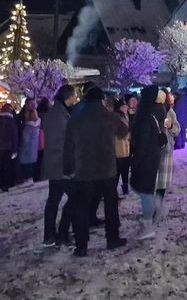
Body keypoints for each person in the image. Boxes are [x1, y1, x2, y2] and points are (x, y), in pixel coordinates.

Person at [62, 86, 128, 256]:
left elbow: (68, 145)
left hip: (84, 170)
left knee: (81, 207)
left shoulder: (76, 119)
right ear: (101, 100)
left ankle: (81, 245)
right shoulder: (109, 116)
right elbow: (124, 132)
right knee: (110, 205)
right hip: (107, 169)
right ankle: (112, 238)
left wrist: (68, 167)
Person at [41, 85, 77, 247]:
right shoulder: (59, 116)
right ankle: (61, 233)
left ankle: (49, 235)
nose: (75, 100)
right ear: (67, 97)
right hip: (60, 165)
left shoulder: (55, 113)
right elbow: (63, 144)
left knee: (54, 200)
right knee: (75, 197)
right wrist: (69, 167)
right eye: (74, 97)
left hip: (55, 164)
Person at [129, 84, 166, 240]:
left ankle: (148, 223)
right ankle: (153, 206)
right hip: (153, 155)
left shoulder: (145, 115)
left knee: (144, 190)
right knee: (144, 189)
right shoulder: (157, 111)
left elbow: (142, 140)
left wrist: (135, 160)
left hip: (145, 156)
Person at [154, 96, 179, 225]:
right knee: (154, 181)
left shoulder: (170, 112)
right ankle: (153, 207)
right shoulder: (151, 112)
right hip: (153, 150)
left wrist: (170, 127)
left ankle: (157, 206)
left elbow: (176, 130)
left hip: (166, 150)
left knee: (162, 182)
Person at [0, 104, 19, 192]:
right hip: (8, 147)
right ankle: (4, 185)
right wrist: (15, 148)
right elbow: (14, 136)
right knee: (6, 167)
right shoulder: (12, 121)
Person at [18, 105, 41, 184]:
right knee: (32, 163)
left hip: (26, 149)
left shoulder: (28, 127)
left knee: (25, 164)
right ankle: (31, 178)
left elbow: (25, 139)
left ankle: (27, 179)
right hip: (34, 148)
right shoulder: (38, 126)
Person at [114, 98, 131, 195]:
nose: (127, 107)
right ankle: (114, 190)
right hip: (119, 149)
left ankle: (125, 187)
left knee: (124, 169)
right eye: (125, 106)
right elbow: (121, 134)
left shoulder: (124, 116)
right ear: (120, 107)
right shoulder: (117, 118)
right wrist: (128, 134)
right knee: (119, 170)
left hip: (124, 148)